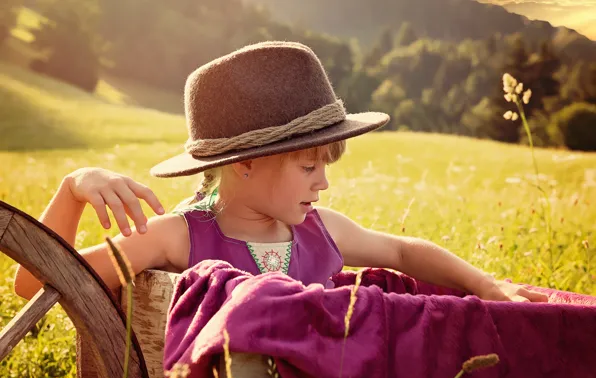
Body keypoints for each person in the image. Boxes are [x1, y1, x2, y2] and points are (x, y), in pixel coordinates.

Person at [13, 41, 547, 303]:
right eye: (310, 165)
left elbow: (405, 252)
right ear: (244, 162)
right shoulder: (180, 236)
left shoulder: (319, 231)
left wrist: (487, 285)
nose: (324, 182)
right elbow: (32, 282)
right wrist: (74, 187)